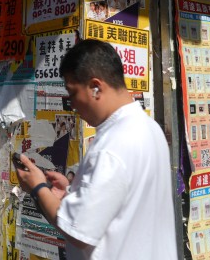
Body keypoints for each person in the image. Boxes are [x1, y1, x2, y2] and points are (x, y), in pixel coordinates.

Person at [14, 39, 177, 259]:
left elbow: (79, 231)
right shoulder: (149, 128)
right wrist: (72, 190)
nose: (72, 104)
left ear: (95, 87)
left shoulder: (112, 145)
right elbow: (122, 200)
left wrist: (37, 187)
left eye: (72, 94)